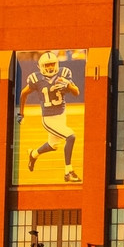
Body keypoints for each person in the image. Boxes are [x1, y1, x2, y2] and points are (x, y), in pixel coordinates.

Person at [21, 51, 83, 183]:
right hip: (48, 118)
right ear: (41, 66)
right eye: (47, 65)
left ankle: (33, 154)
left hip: (61, 114)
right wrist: (21, 113)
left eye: (52, 64)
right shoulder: (36, 79)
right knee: (71, 136)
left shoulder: (64, 74)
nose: (50, 68)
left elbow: (76, 92)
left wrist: (68, 85)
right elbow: (23, 94)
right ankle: (68, 172)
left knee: (52, 145)